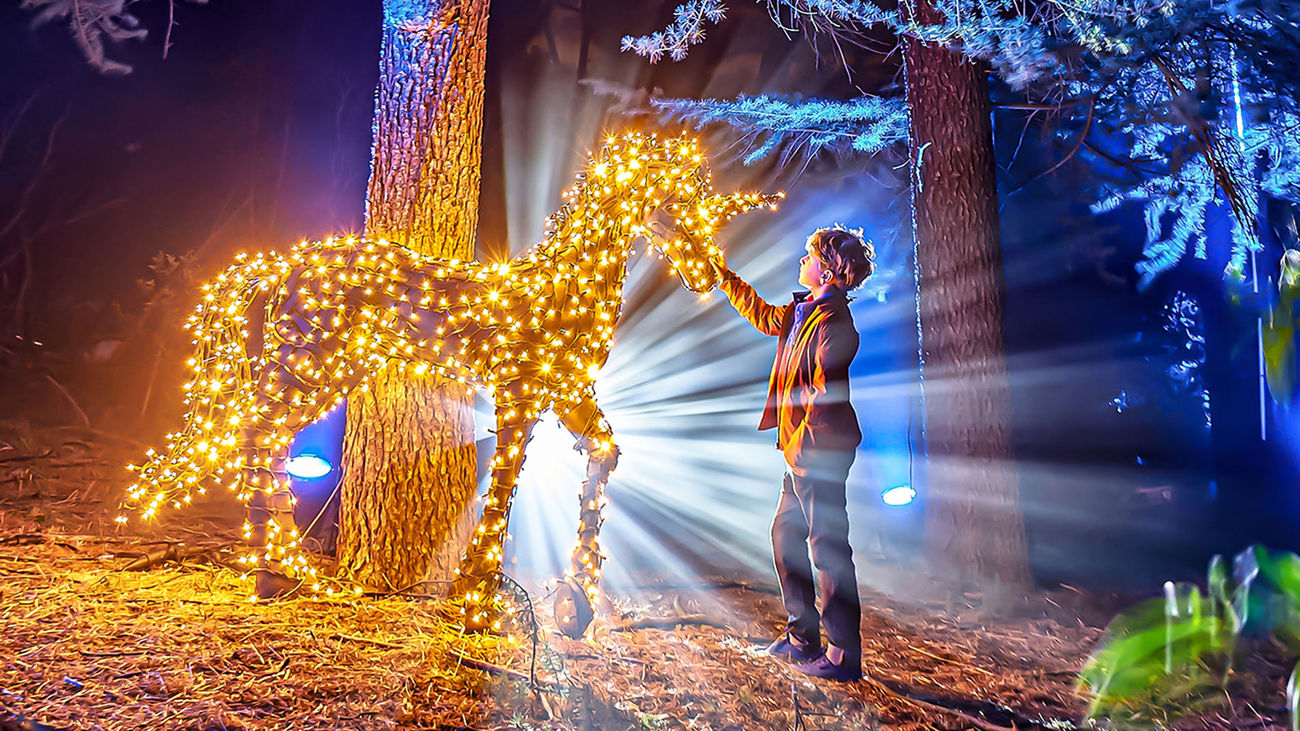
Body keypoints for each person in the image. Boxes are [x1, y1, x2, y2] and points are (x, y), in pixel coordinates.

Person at [711, 226, 875, 682]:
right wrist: (725, 277)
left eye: (809, 254)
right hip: (801, 454)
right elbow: (765, 316)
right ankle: (803, 638)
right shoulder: (802, 310)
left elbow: (826, 395)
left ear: (826, 268)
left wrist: (802, 445)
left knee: (828, 551)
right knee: (786, 539)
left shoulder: (835, 326)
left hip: (819, 455)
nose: (801, 258)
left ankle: (844, 654)